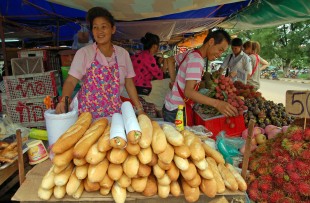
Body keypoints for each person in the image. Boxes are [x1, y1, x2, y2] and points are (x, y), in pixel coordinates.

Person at [55, 7, 144, 118]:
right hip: (85, 115)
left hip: (114, 115)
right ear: (92, 31)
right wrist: (64, 101)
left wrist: (140, 110)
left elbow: (129, 83)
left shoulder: (123, 54)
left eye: (104, 27)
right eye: (95, 27)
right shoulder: (84, 53)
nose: (99, 31)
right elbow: (71, 81)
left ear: (113, 29)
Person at [163, 29, 238, 125]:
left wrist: (174, 81)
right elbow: (188, 92)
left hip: (170, 106)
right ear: (211, 42)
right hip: (176, 111)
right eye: (220, 50)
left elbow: (170, 60)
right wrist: (217, 104)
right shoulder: (197, 60)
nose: (219, 55)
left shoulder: (191, 53)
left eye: (222, 53)